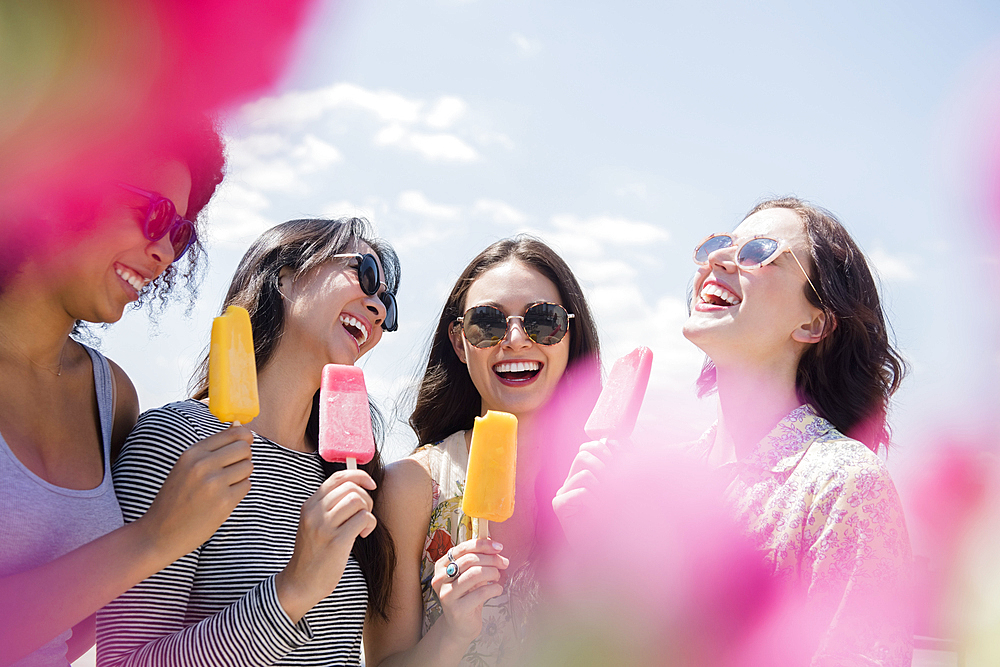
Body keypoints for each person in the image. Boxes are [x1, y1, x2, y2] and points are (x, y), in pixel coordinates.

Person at [0, 121, 256, 667]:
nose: (164, 250)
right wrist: (156, 537)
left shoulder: (111, 396)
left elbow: (81, 626)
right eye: (153, 215)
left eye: (180, 232)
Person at [96, 217, 400, 666]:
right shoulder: (178, 439)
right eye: (366, 277)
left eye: (387, 304)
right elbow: (122, 660)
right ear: (286, 275)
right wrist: (291, 592)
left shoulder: (346, 472)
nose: (376, 309)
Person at [678, 197, 912, 663]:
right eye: (722, 244)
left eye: (757, 251)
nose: (718, 260)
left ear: (814, 322)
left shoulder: (844, 483)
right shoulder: (670, 476)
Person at [366, 236, 601, 667]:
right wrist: (453, 633)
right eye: (487, 323)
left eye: (544, 321)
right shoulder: (412, 488)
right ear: (459, 343)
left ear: (570, 336)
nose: (514, 340)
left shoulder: (610, 482)